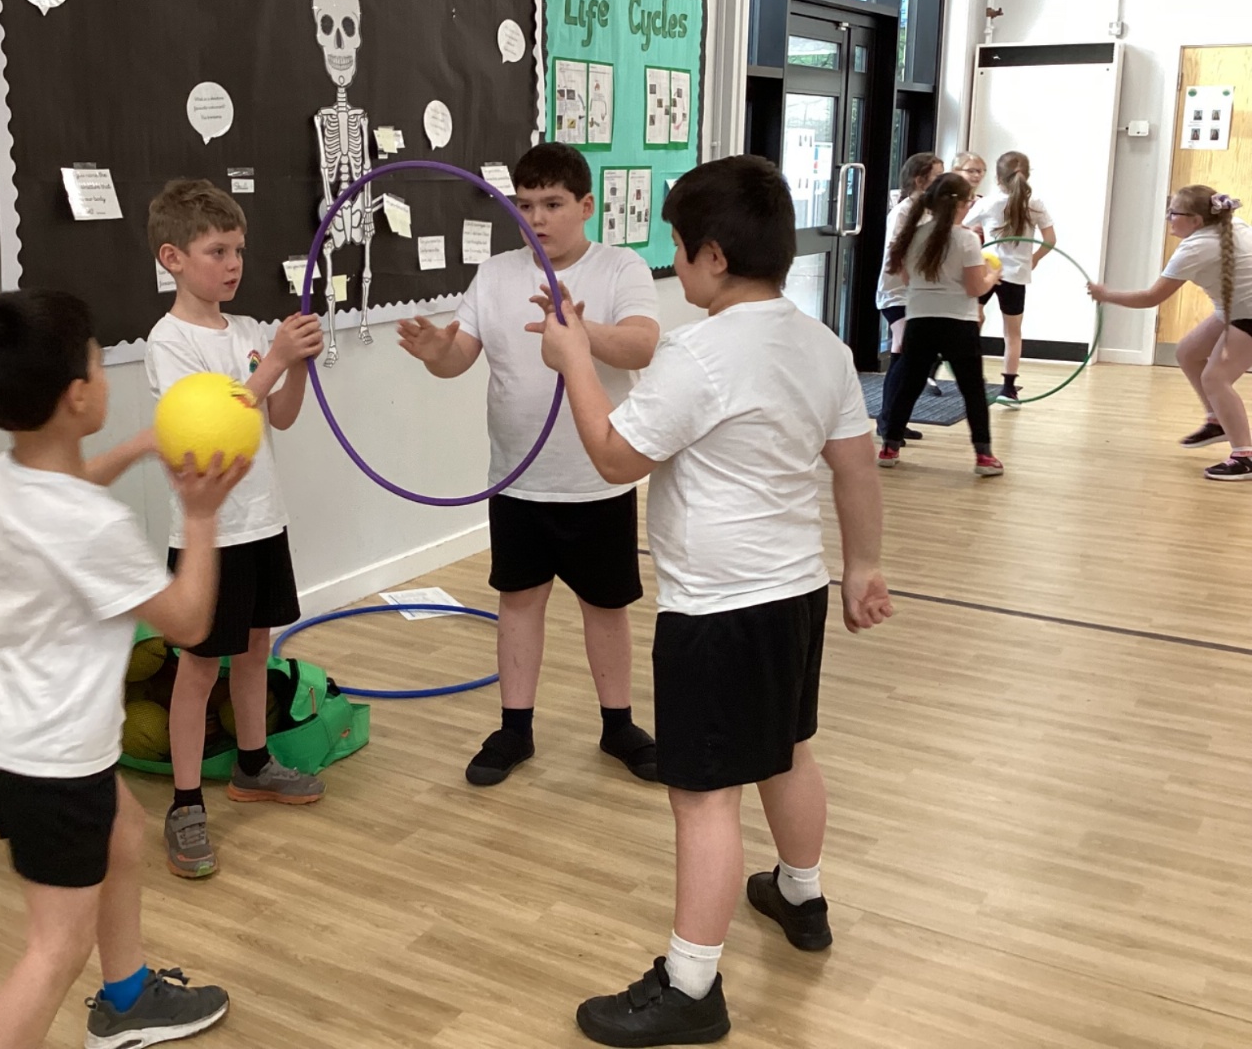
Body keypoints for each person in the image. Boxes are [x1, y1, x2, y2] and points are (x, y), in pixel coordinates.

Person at [529, 155, 892, 1046]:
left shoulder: (699, 353)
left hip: (719, 610)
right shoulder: (823, 345)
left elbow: (614, 458)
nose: (675, 266)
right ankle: (800, 896)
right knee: (785, 749)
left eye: (678, 250)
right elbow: (855, 466)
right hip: (795, 593)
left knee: (703, 796)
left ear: (715, 257)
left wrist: (575, 359)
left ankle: (692, 986)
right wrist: (864, 567)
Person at [0, 289, 245, 1049]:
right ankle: (113, 1001)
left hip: (4, 735)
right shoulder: (93, 528)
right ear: (80, 394)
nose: (102, 371)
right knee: (55, 947)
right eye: (96, 359)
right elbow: (189, 621)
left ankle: (127, 999)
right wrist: (202, 516)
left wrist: (139, 448)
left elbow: (70, 492)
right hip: (52, 760)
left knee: (124, 831)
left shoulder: (7, 480)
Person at [397, 142, 661, 787]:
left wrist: (578, 329)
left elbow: (641, 346)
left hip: (596, 481)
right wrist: (434, 352)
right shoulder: (494, 275)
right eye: (525, 205)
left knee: (606, 607)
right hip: (517, 480)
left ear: (586, 206)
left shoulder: (619, 267)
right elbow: (458, 358)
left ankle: (618, 725)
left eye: (552, 204)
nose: (536, 218)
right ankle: (515, 728)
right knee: (518, 603)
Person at [145, 179, 327, 881]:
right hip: (208, 537)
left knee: (256, 648)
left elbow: (279, 416)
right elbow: (213, 428)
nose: (233, 264)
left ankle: (253, 763)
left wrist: (295, 367)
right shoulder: (170, 342)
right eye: (217, 251)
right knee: (198, 667)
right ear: (173, 257)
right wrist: (275, 360)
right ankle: (186, 801)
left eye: (239, 250)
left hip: (261, 521)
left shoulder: (249, 332)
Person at [1089, 186, 1252, 481]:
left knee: (1215, 378)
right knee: (1188, 352)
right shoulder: (1230, 224)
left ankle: (1245, 456)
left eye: (1173, 212)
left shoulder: (1195, 248)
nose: (1168, 218)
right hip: (1235, 308)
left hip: (1248, 312)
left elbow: (1150, 298)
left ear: (1196, 220)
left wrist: (1106, 295)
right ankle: (1218, 420)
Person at [879, 173, 1005, 476]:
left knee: (909, 385)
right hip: (958, 324)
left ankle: (889, 448)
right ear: (963, 204)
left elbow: (906, 279)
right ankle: (984, 456)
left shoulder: (913, 235)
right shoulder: (967, 239)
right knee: (973, 390)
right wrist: (992, 276)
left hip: (920, 320)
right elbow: (975, 288)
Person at [963, 151, 1058, 407]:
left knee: (971, 322)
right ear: (1027, 175)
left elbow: (960, 226)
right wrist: (1035, 258)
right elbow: (1050, 240)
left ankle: (968, 375)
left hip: (986, 269)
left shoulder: (987, 203)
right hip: (1016, 275)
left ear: (997, 178)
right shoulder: (1035, 203)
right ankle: (1008, 390)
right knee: (1012, 333)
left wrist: (974, 233)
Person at [876, 152, 945, 444]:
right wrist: (909, 279)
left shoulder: (931, 211)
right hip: (897, 293)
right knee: (905, 350)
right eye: (937, 175)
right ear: (920, 180)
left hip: (920, 294)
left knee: (906, 354)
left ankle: (894, 419)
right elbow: (895, 252)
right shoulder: (904, 212)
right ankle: (888, 420)